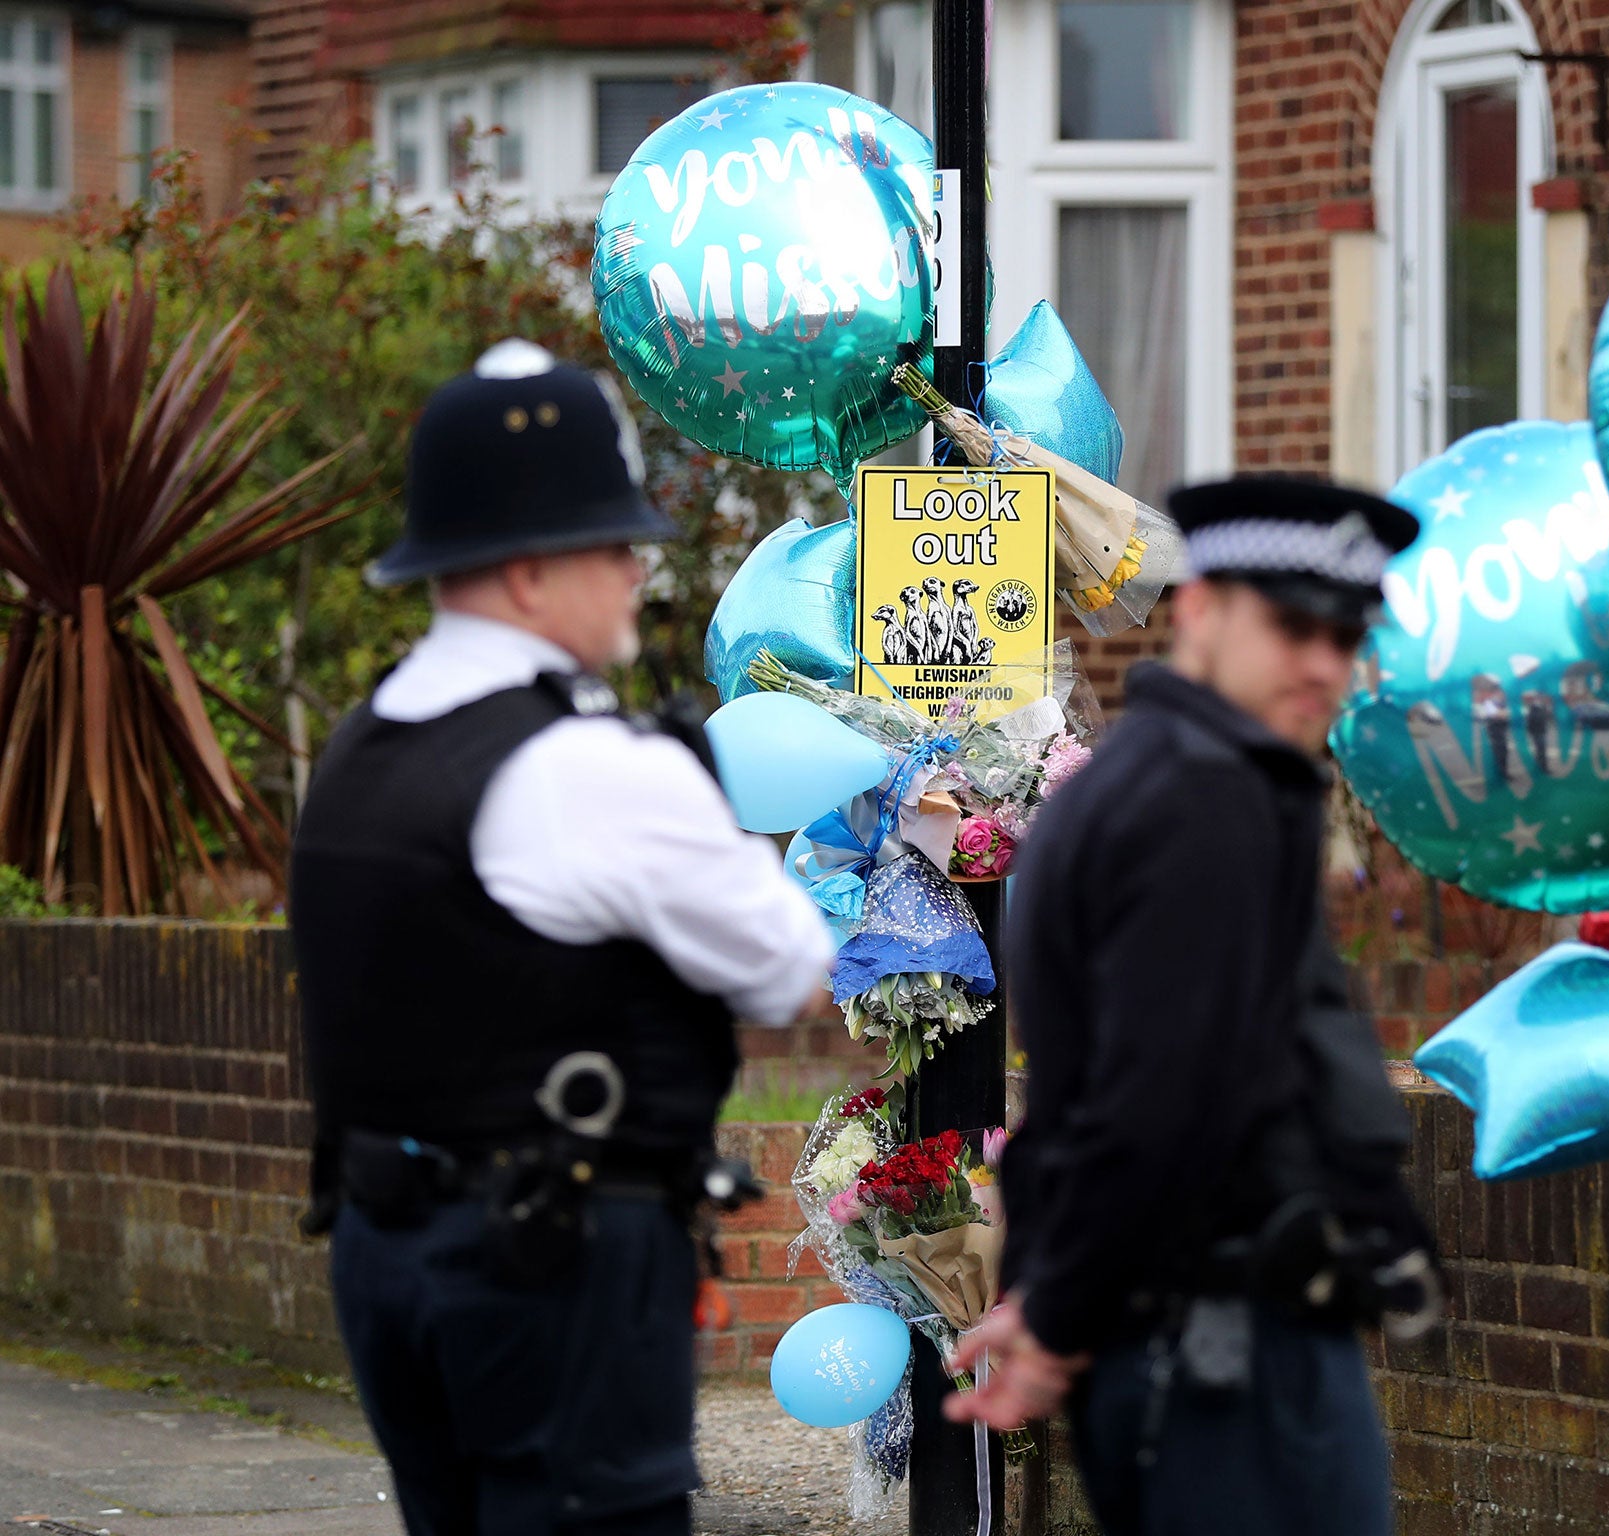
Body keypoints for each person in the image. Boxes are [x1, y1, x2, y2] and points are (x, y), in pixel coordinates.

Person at [289, 340, 833, 1536]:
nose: (637, 570)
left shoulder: (361, 744)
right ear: (532, 572)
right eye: (612, 544)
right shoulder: (585, 763)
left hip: (383, 1250)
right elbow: (790, 967)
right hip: (554, 1265)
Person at [947, 476, 1439, 1536]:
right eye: (1292, 627)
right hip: (1228, 1359)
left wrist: (1053, 1299)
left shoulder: (1156, 781)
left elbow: (1102, 1091)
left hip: (1194, 1346)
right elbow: (1153, 1099)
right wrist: (1060, 1315)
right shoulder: (1199, 802)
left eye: (1346, 637)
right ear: (1202, 609)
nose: (1324, 664)